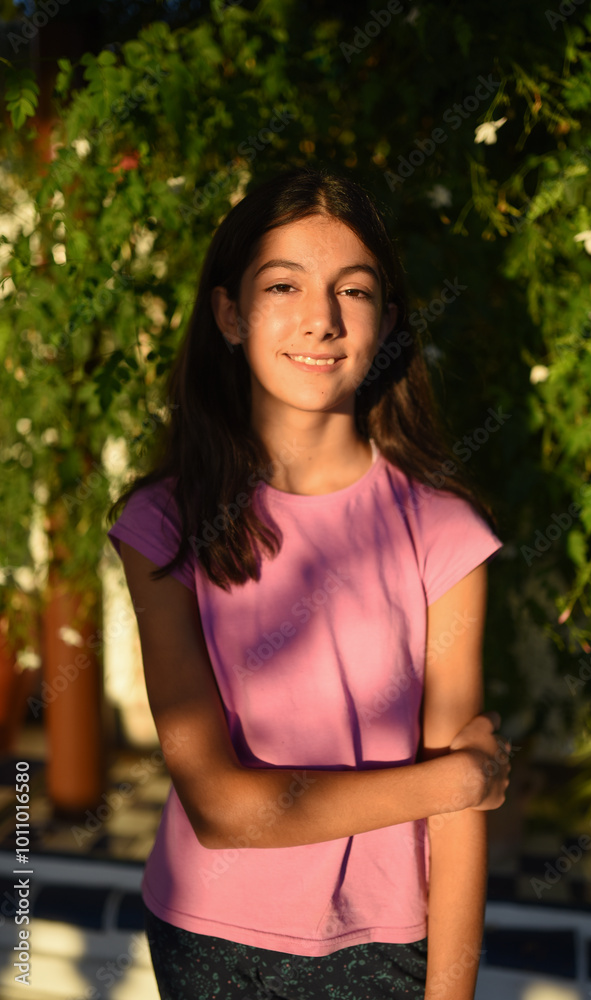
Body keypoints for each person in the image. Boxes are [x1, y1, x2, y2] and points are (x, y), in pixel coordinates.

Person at [106, 165, 511, 1000]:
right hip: (209, 940)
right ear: (229, 314)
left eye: (353, 291)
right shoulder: (165, 526)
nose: (321, 319)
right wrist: (456, 781)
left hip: (388, 946)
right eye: (283, 285)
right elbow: (222, 809)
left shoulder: (445, 534)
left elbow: (458, 834)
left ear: (387, 322)